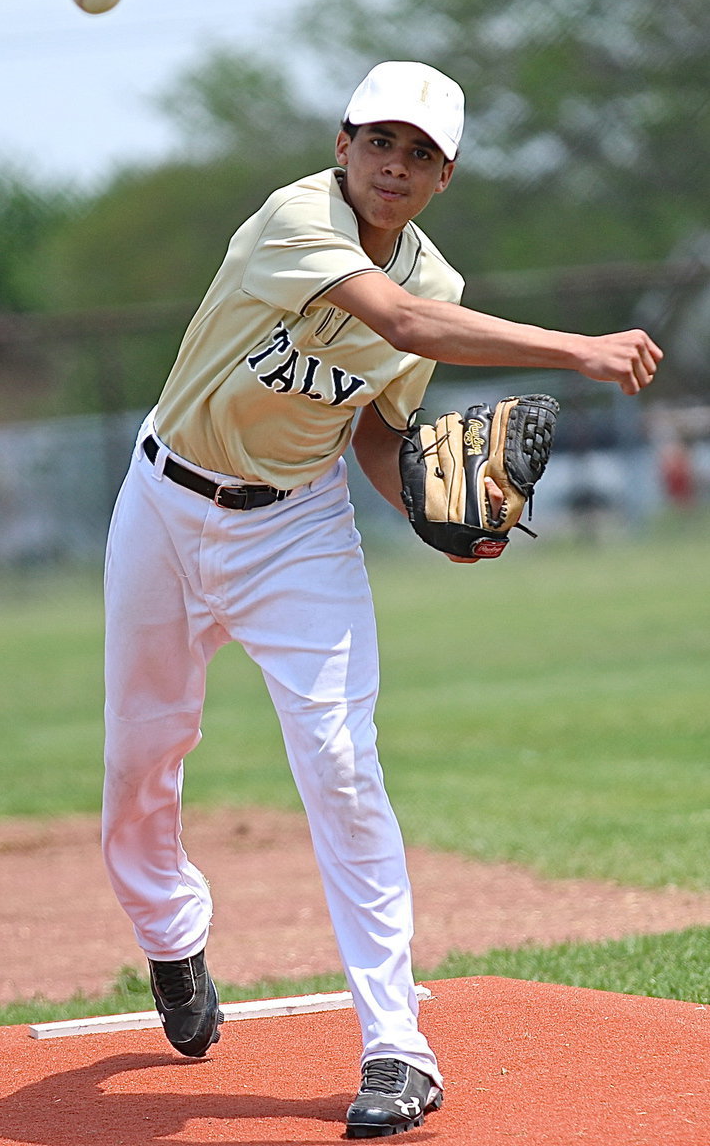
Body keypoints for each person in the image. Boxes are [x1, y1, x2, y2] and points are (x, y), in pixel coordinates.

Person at [101, 60, 662, 1138]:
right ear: (342, 145)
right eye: (378, 141)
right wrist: (576, 348)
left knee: (344, 766)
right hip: (166, 504)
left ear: (444, 176)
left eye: (419, 153)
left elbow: (374, 422)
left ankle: (397, 1047)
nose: (393, 164)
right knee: (143, 752)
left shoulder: (435, 277)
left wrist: (430, 518)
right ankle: (170, 935)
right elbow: (398, 323)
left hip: (295, 529)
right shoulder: (295, 218)